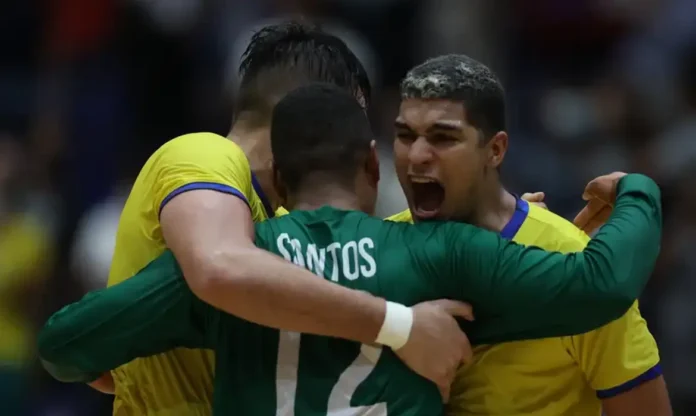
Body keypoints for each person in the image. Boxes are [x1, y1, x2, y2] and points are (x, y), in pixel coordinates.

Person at [39, 84, 663, 415]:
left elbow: (64, 344)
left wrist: (122, 361)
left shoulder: (235, 272)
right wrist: (637, 191)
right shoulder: (438, 253)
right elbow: (602, 285)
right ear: (372, 164)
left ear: (275, 180)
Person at [104, 22, 472, 415]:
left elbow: (101, 366)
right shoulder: (203, 156)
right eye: (347, 120)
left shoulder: (279, 222)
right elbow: (220, 269)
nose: (355, 143)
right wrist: (398, 326)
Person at [386, 54, 672, 416]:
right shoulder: (378, 248)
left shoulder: (570, 257)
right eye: (405, 136)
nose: (416, 155)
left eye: (443, 137)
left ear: (495, 150)